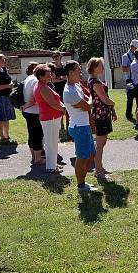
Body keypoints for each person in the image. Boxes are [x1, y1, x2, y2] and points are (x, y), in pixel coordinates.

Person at [61, 61, 97, 193]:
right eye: (78, 70)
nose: (80, 72)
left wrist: (88, 101)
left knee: (90, 155)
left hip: (84, 125)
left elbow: (87, 100)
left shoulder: (76, 85)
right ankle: (81, 185)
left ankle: (83, 180)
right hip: (79, 127)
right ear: (70, 73)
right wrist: (90, 101)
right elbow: (88, 105)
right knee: (82, 158)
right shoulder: (70, 91)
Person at [33, 64, 66, 174]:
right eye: (48, 74)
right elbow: (52, 103)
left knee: (52, 142)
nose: (50, 75)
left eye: (50, 73)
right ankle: (51, 167)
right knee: (51, 143)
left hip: (50, 117)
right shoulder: (42, 87)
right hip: (50, 117)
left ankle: (53, 164)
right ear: (41, 76)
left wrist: (61, 107)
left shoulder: (44, 86)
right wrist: (63, 109)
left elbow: (54, 101)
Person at [87, 57, 116, 179]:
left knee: (102, 143)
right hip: (101, 115)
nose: (103, 67)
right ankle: (98, 171)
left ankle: (100, 167)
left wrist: (112, 110)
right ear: (93, 67)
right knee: (99, 144)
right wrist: (113, 104)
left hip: (104, 114)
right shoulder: (95, 82)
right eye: (100, 65)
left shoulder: (95, 80)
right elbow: (104, 99)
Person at [20, 62, 44, 165]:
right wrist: (26, 106)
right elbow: (35, 98)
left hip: (28, 111)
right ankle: (38, 158)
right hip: (34, 111)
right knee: (38, 135)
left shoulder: (28, 78)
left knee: (32, 134)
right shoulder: (36, 81)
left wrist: (25, 107)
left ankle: (34, 157)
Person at [121, 39, 138, 120]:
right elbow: (124, 69)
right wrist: (133, 67)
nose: (137, 49)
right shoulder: (125, 56)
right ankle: (128, 114)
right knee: (130, 98)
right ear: (132, 47)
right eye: (136, 48)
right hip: (129, 79)